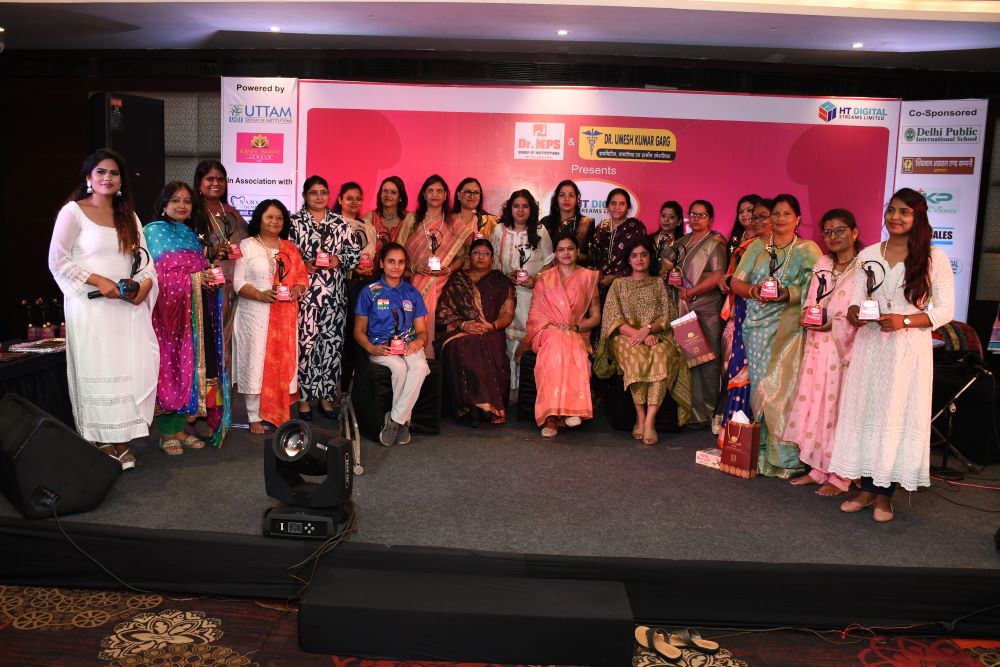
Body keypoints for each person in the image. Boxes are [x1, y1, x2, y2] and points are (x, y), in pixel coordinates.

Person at [830, 189, 954, 522]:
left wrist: (905, 321)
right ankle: (866, 490)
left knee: (894, 417)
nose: (895, 217)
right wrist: (855, 313)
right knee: (867, 413)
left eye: (904, 212)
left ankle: (885, 497)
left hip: (907, 351)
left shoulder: (933, 257)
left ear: (918, 217)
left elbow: (945, 311)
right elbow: (856, 299)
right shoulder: (869, 253)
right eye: (891, 210)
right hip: (870, 347)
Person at [48, 148, 159, 470]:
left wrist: (143, 288)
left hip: (127, 309)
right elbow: (58, 260)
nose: (107, 178)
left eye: (114, 173)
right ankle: (101, 440)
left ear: (121, 181)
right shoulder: (73, 212)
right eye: (101, 172)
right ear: (88, 177)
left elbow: (146, 263)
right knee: (98, 370)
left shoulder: (129, 217)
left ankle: (122, 439)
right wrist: (98, 280)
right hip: (91, 308)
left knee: (128, 370)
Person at [730, 194, 821, 477]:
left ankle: (786, 458)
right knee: (762, 390)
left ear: (798, 219)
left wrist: (790, 294)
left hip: (790, 328)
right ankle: (762, 452)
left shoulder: (808, 250)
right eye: (776, 214)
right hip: (757, 328)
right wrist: (753, 291)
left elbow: (819, 289)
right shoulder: (757, 247)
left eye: (786, 214)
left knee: (784, 390)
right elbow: (736, 281)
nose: (780, 219)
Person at [144, 181, 230, 455]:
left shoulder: (191, 235)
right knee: (170, 367)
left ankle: (181, 430)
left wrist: (208, 279)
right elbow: (156, 275)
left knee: (189, 367)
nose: (182, 206)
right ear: (164, 203)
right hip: (167, 316)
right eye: (175, 200)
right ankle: (167, 433)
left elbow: (199, 269)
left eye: (187, 201)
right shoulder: (152, 232)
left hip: (194, 313)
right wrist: (194, 280)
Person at [783, 209, 862, 496]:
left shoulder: (865, 267)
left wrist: (835, 323)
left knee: (838, 410)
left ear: (854, 232)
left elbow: (864, 311)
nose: (833, 236)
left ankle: (841, 476)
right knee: (817, 407)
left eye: (840, 230)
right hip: (818, 346)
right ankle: (818, 469)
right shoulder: (823, 263)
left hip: (846, 350)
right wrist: (807, 315)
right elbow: (811, 300)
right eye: (827, 232)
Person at [594, 237, 692, 445]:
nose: (639, 259)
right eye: (634, 255)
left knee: (661, 357)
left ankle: (650, 420)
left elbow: (667, 316)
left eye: (643, 255)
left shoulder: (658, 284)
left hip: (657, 336)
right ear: (628, 260)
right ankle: (640, 416)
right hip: (624, 336)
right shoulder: (619, 285)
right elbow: (613, 319)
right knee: (636, 358)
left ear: (650, 258)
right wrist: (639, 335)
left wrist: (648, 330)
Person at [233, 200, 308, 434]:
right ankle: (254, 416)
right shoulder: (246, 246)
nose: (274, 221)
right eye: (269, 217)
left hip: (284, 317)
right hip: (254, 315)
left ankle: (279, 412)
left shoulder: (290, 248)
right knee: (255, 363)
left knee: (282, 363)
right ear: (259, 219)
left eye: (279, 218)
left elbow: (302, 279)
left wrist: (297, 290)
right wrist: (260, 295)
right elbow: (238, 282)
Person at [289, 176, 361, 420]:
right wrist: (303, 263)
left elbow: (354, 256)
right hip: (305, 296)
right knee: (306, 347)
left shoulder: (341, 223)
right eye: (313, 192)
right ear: (304, 195)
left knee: (332, 347)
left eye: (323, 192)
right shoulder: (294, 223)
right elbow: (284, 257)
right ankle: (304, 401)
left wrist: (339, 259)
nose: (319, 197)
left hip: (334, 297)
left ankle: (327, 398)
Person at [521, 233, 602, 438]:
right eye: (561, 249)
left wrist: (576, 327)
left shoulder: (588, 277)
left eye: (570, 249)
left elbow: (595, 317)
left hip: (576, 331)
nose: (566, 253)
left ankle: (569, 410)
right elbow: (535, 313)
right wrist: (552, 327)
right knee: (557, 344)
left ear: (577, 252)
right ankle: (551, 417)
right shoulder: (545, 278)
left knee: (569, 343)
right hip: (547, 331)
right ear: (555, 253)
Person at [354, 243, 431, 446]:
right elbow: (358, 331)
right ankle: (404, 421)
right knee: (398, 367)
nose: (396, 267)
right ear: (381, 263)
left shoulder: (412, 293)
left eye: (401, 262)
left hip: (408, 344)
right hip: (381, 346)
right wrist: (371, 348)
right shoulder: (369, 292)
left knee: (420, 366)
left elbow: (422, 331)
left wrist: (419, 341)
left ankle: (396, 421)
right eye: (391, 261)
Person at [435, 238, 515, 425]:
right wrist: (463, 325)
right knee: (464, 344)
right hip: (460, 330)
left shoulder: (501, 281)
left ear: (492, 258)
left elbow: (508, 313)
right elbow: (443, 312)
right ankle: (473, 407)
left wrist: (492, 326)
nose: (481, 257)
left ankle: (482, 406)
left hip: (491, 330)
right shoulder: (458, 279)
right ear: (469, 257)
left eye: (485, 254)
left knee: (486, 345)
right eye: (476, 253)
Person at [663, 200, 726, 427]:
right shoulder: (680, 243)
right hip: (683, 309)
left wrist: (691, 292)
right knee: (688, 358)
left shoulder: (715, 243)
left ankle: (707, 411)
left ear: (711, 219)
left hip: (706, 308)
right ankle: (688, 411)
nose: (696, 218)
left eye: (702, 215)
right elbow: (666, 269)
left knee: (708, 359)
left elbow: (718, 276)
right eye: (693, 214)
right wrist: (668, 274)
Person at [716, 198, 772, 437]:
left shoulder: (795, 249)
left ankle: (765, 436)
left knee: (768, 374)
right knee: (740, 367)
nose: (754, 219)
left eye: (761, 216)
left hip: (775, 318)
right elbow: (737, 279)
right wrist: (731, 281)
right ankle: (738, 434)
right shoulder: (750, 247)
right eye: (752, 215)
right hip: (746, 311)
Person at [490, 189, 554, 395]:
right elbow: (491, 262)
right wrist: (504, 277)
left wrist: (536, 279)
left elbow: (550, 263)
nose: (520, 210)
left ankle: (527, 390)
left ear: (531, 209)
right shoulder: (499, 230)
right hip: (505, 294)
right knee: (506, 342)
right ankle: (508, 388)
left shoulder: (540, 231)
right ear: (510, 208)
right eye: (516, 206)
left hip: (533, 295)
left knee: (528, 341)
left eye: (525, 206)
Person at [404, 175, 472, 357]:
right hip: (413, 281)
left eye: (439, 191)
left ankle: (426, 357)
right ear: (424, 195)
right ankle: (410, 352)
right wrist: (414, 267)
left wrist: (449, 269)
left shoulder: (454, 223)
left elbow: (464, 255)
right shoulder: (412, 219)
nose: (435, 194)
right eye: (430, 191)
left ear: (446, 195)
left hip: (442, 282)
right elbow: (397, 251)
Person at [192, 160, 249, 378]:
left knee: (228, 344)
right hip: (205, 288)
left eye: (220, 179)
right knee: (207, 343)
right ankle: (204, 392)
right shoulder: (192, 212)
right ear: (200, 182)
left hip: (232, 290)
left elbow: (247, 244)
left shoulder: (232, 213)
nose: (216, 183)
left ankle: (224, 393)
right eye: (210, 179)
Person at [593, 188, 648, 292]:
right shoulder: (601, 228)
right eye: (613, 203)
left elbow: (643, 259)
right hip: (600, 285)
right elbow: (594, 256)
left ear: (628, 208)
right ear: (608, 206)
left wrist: (614, 277)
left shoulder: (635, 227)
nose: (617, 207)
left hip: (628, 285)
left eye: (622, 204)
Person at [362, 175, 415, 267]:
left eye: (393, 192)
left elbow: (414, 250)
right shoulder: (370, 217)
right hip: (372, 271)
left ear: (400, 197)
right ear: (380, 194)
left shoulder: (410, 219)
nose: (388, 195)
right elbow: (362, 249)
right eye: (385, 191)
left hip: (400, 271)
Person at [540, 180, 595, 265]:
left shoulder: (587, 223)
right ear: (556, 199)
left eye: (571, 195)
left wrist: (573, 255)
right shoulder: (545, 223)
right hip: (549, 271)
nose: (567, 199)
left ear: (577, 199)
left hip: (578, 271)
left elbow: (591, 258)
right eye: (562, 195)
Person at [725, 194, 760, 259]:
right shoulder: (736, 239)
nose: (744, 214)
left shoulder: (766, 239)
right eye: (740, 212)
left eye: (749, 210)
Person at [651, 200, 684, 267]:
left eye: (671, 217)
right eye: (663, 216)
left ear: (679, 222)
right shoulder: (649, 240)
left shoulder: (684, 243)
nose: (666, 219)